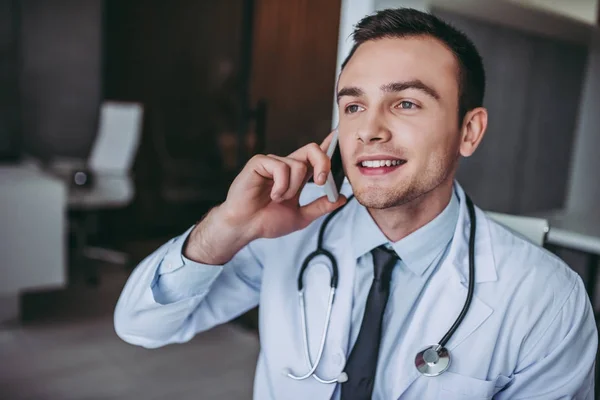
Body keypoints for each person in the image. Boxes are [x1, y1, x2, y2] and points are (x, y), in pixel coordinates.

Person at [114, 8, 597, 399]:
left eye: (405, 103)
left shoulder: (547, 301)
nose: (368, 130)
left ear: (468, 131)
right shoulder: (284, 231)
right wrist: (225, 227)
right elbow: (141, 327)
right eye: (353, 106)